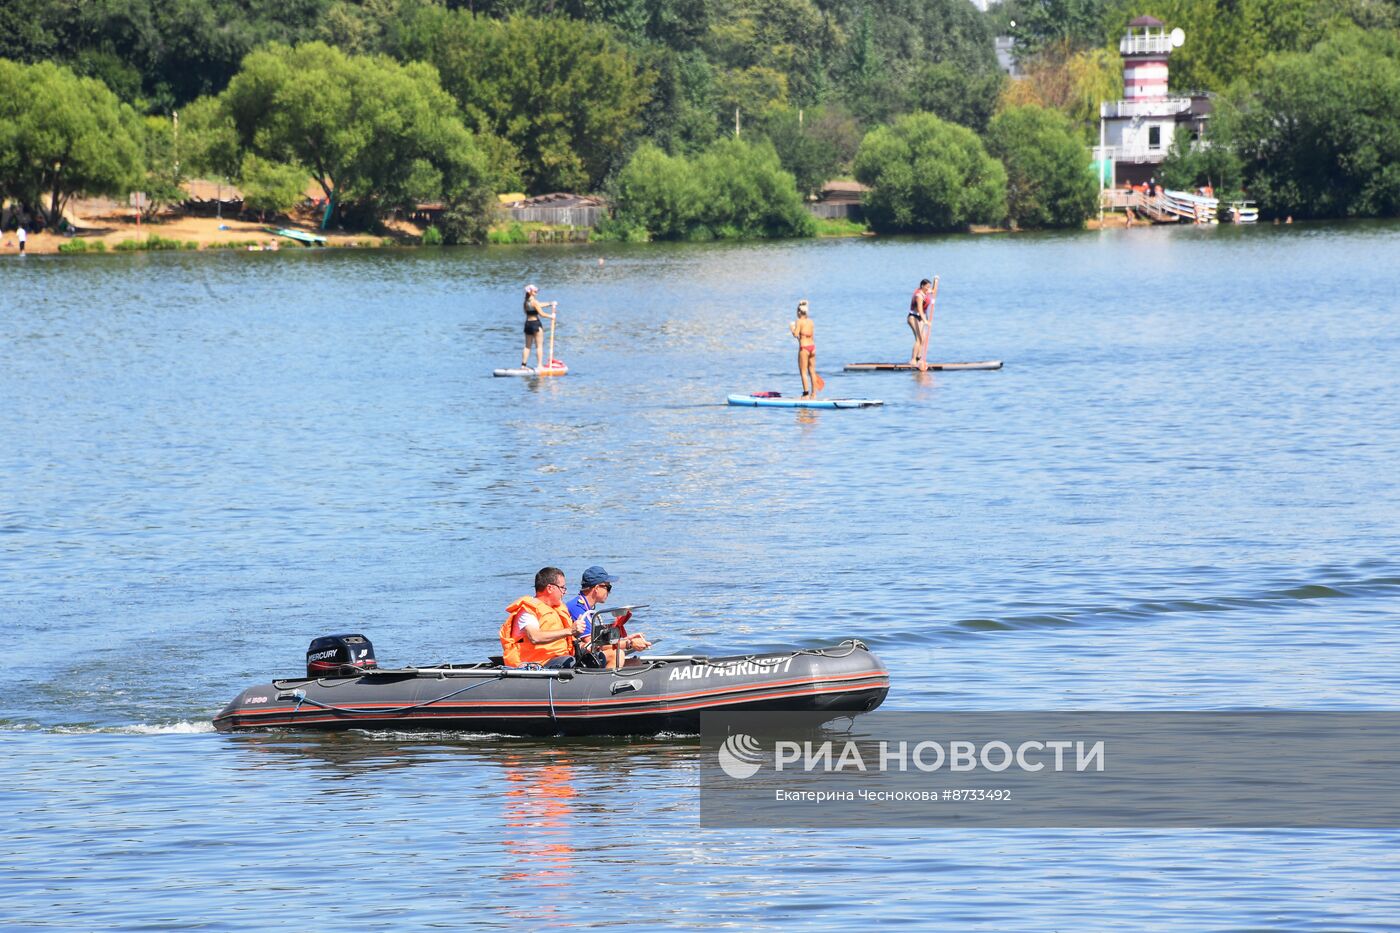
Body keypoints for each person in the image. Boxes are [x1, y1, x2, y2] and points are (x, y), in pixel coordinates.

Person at [499, 566, 585, 668]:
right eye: (562, 587)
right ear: (550, 588)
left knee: (595, 657)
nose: (564, 592)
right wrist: (570, 630)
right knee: (569, 661)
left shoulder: (557, 609)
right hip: (536, 664)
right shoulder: (527, 611)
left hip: (559, 658)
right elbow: (535, 637)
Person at [565, 565, 650, 664]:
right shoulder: (577, 608)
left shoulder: (585, 607)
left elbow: (599, 642)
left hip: (584, 653)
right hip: (577, 657)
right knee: (618, 655)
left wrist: (627, 639)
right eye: (608, 587)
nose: (609, 592)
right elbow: (594, 645)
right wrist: (629, 644)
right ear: (596, 588)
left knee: (635, 663)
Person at [521, 284, 557, 370]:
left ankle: (523, 365)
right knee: (539, 346)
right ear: (530, 292)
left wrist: (549, 304)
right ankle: (540, 365)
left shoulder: (526, 302)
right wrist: (551, 316)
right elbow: (541, 314)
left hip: (527, 324)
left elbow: (538, 305)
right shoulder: (534, 302)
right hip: (535, 324)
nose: (536, 292)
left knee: (527, 346)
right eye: (535, 291)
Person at [789, 300, 818, 398]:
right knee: (812, 371)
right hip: (812, 347)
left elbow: (796, 334)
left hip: (804, 348)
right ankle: (813, 394)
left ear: (799, 312)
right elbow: (812, 336)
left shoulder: (799, 321)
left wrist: (792, 328)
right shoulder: (811, 321)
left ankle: (805, 394)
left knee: (803, 372)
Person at [908, 277, 938, 369]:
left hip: (921, 318)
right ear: (922, 286)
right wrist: (926, 321)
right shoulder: (919, 296)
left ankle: (919, 359)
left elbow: (934, 291)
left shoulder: (926, 291)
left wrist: (935, 281)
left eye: (929, 287)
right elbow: (920, 310)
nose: (928, 289)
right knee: (919, 338)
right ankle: (912, 360)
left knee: (923, 339)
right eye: (927, 287)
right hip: (913, 317)